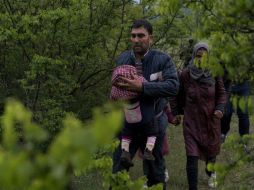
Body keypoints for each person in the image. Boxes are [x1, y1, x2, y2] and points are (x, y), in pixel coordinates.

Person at [111, 19, 179, 189]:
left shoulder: (162, 59)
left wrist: (143, 87)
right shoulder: (123, 58)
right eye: (133, 36)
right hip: (128, 121)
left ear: (151, 38)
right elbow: (116, 88)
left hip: (153, 123)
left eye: (141, 35)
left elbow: (173, 86)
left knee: (155, 171)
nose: (136, 39)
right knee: (119, 168)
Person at [172, 42, 226, 189]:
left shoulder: (215, 73)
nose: (201, 59)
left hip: (210, 120)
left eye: (204, 57)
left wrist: (220, 108)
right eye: (198, 56)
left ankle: (211, 173)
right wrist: (176, 112)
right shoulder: (185, 74)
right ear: (193, 56)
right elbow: (176, 95)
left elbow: (222, 94)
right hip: (192, 121)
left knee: (211, 151)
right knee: (192, 156)